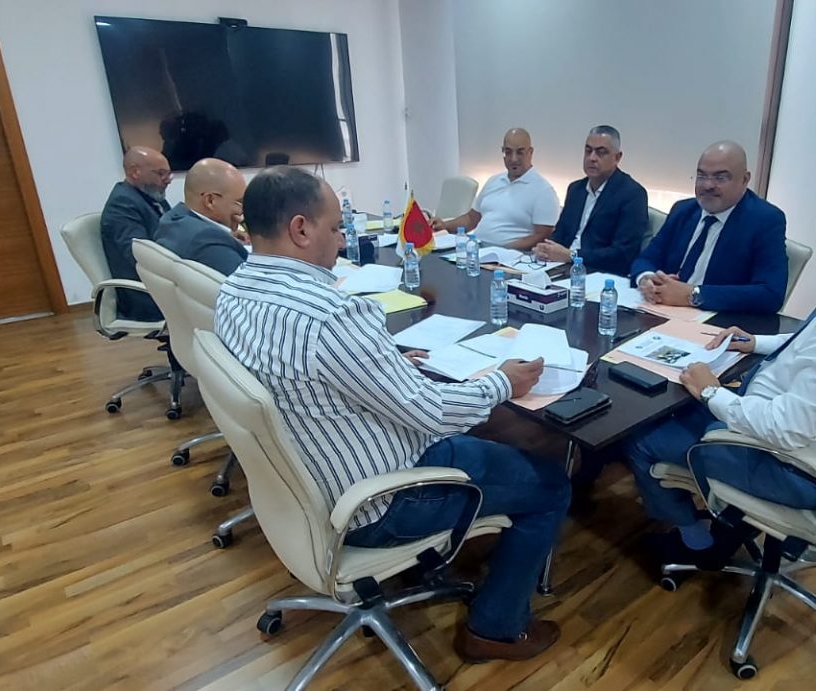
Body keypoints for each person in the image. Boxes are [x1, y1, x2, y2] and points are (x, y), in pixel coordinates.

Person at [215, 166, 571, 662]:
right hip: (380, 500)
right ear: (300, 229)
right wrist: (503, 382)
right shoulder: (331, 317)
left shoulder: (233, 291)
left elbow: (303, 371)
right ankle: (497, 628)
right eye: (336, 227)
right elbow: (434, 413)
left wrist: (383, 366)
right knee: (552, 484)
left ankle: (452, 560)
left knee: (498, 445)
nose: (342, 239)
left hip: (305, 481)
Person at [623, 167, 816, 567]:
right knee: (677, 408)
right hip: (814, 437)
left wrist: (711, 391)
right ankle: (730, 519)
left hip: (789, 466)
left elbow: (787, 429)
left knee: (642, 436)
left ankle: (697, 544)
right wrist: (757, 342)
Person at [628, 141, 789, 314]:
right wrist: (646, 279)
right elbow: (646, 259)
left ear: (744, 179)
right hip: (661, 310)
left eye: (720, 178)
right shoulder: (683, 210)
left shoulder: (765, 220)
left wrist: (693, 294)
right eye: (702, 176)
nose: (708, 185)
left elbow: (770, 294)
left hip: (717, 320)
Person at [531, 125, 649, 276]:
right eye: (588, 151)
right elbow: (560, 234)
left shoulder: (632, 194)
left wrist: (572, 255)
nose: (592, 158)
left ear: (617, 157)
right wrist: (545, 249)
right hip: (561, 267)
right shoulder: (576, 189)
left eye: (601, 152)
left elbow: (623, 254)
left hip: (599, 274)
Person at [432, 128, 559, 250]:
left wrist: (504, 248)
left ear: (530, 153)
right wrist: (444, 225)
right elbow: (471, 219)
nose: (513, 159)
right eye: (508, 152)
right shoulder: (494, 181)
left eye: (520, 152)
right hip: (476, 250)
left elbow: (542, 236)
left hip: (509, 257)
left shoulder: (543, 191)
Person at [101, 146, 172, 321]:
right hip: (145, 296)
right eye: (161, 173)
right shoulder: (122, 204)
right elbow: (140, 255)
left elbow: (176, 228)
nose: (168, 180)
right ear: (134, 172)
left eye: (168, 174)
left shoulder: (151, 196)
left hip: (163, 284)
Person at [154, 158, 248, 276]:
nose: (242, 210)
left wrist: (228, 237)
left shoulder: (172, 219)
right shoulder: (208, 241)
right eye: (240, 202)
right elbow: (252, 284)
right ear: (210, 201)